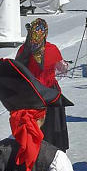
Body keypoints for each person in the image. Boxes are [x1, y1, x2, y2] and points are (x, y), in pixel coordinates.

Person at [15, 18, 70, 151]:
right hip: (50, 92)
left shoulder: (23, 50)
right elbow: (62, 69)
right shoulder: (52, 49)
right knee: (52, 126)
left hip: (31, 92)